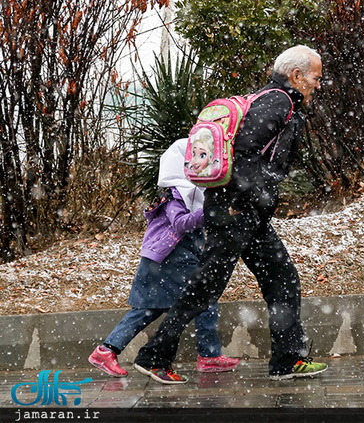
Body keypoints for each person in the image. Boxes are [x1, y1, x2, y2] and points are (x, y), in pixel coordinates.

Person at [133, 45, 327, 384]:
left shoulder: (272, 98)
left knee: (282, 279)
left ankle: (287, 360)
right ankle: (154, 356)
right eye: (315, 77)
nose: (318, 84)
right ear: (296, 76)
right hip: (236, 210)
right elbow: (244, 151)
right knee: (205, 287)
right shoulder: (279, 102)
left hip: (247, 212)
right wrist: (241, 199)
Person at [88, 139, 240, 380]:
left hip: (164, 258)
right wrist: (212, 212)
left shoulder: (193, 194)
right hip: (171, 256)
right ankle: (209, 355)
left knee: (150, 309)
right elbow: (180, 224)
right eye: (196, 157)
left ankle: (106, 351)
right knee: (205, 295)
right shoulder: (176, 194)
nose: (201, 163)